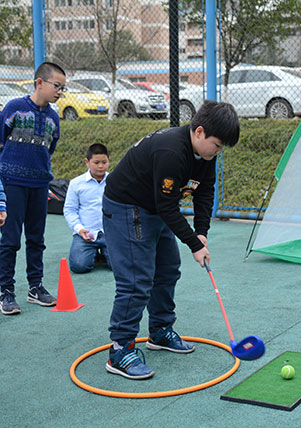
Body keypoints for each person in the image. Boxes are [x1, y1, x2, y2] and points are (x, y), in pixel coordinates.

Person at [103, 101, 240, 380]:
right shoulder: (171, 152)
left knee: (167, 270)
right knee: (136, 280)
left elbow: (205, 191)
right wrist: (194, 245)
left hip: (155, 207)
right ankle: (119, 350)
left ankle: (160, 331)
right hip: (128, 206)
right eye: (217, 145)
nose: (218, 152)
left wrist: (201, 232)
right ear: (199, 132)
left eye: (222, 148)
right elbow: (167, 207)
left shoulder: (206, 154)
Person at [0, 62, 65, 315]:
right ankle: (5, 290)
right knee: (10, 240)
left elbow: (50, 148)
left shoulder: (53, 117)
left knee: (36, 239)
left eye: (63, 88)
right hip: (12, 183)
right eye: (57, 86)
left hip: (40, 185)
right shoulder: (14, 108)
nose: (60, 92)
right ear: (39, 82)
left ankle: (35, 287)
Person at [63, 143, 111, 273]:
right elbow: (69, 210)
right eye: (96, 162)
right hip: (86, 234)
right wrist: (80, 229)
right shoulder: (76, 183)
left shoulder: (115, 181)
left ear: (109, 161)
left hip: (110, 233)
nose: (101, 166)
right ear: (87, 162)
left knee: (120, 266)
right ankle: (94, 253)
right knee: (79, 266)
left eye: (104, 162)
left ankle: (104, 253)